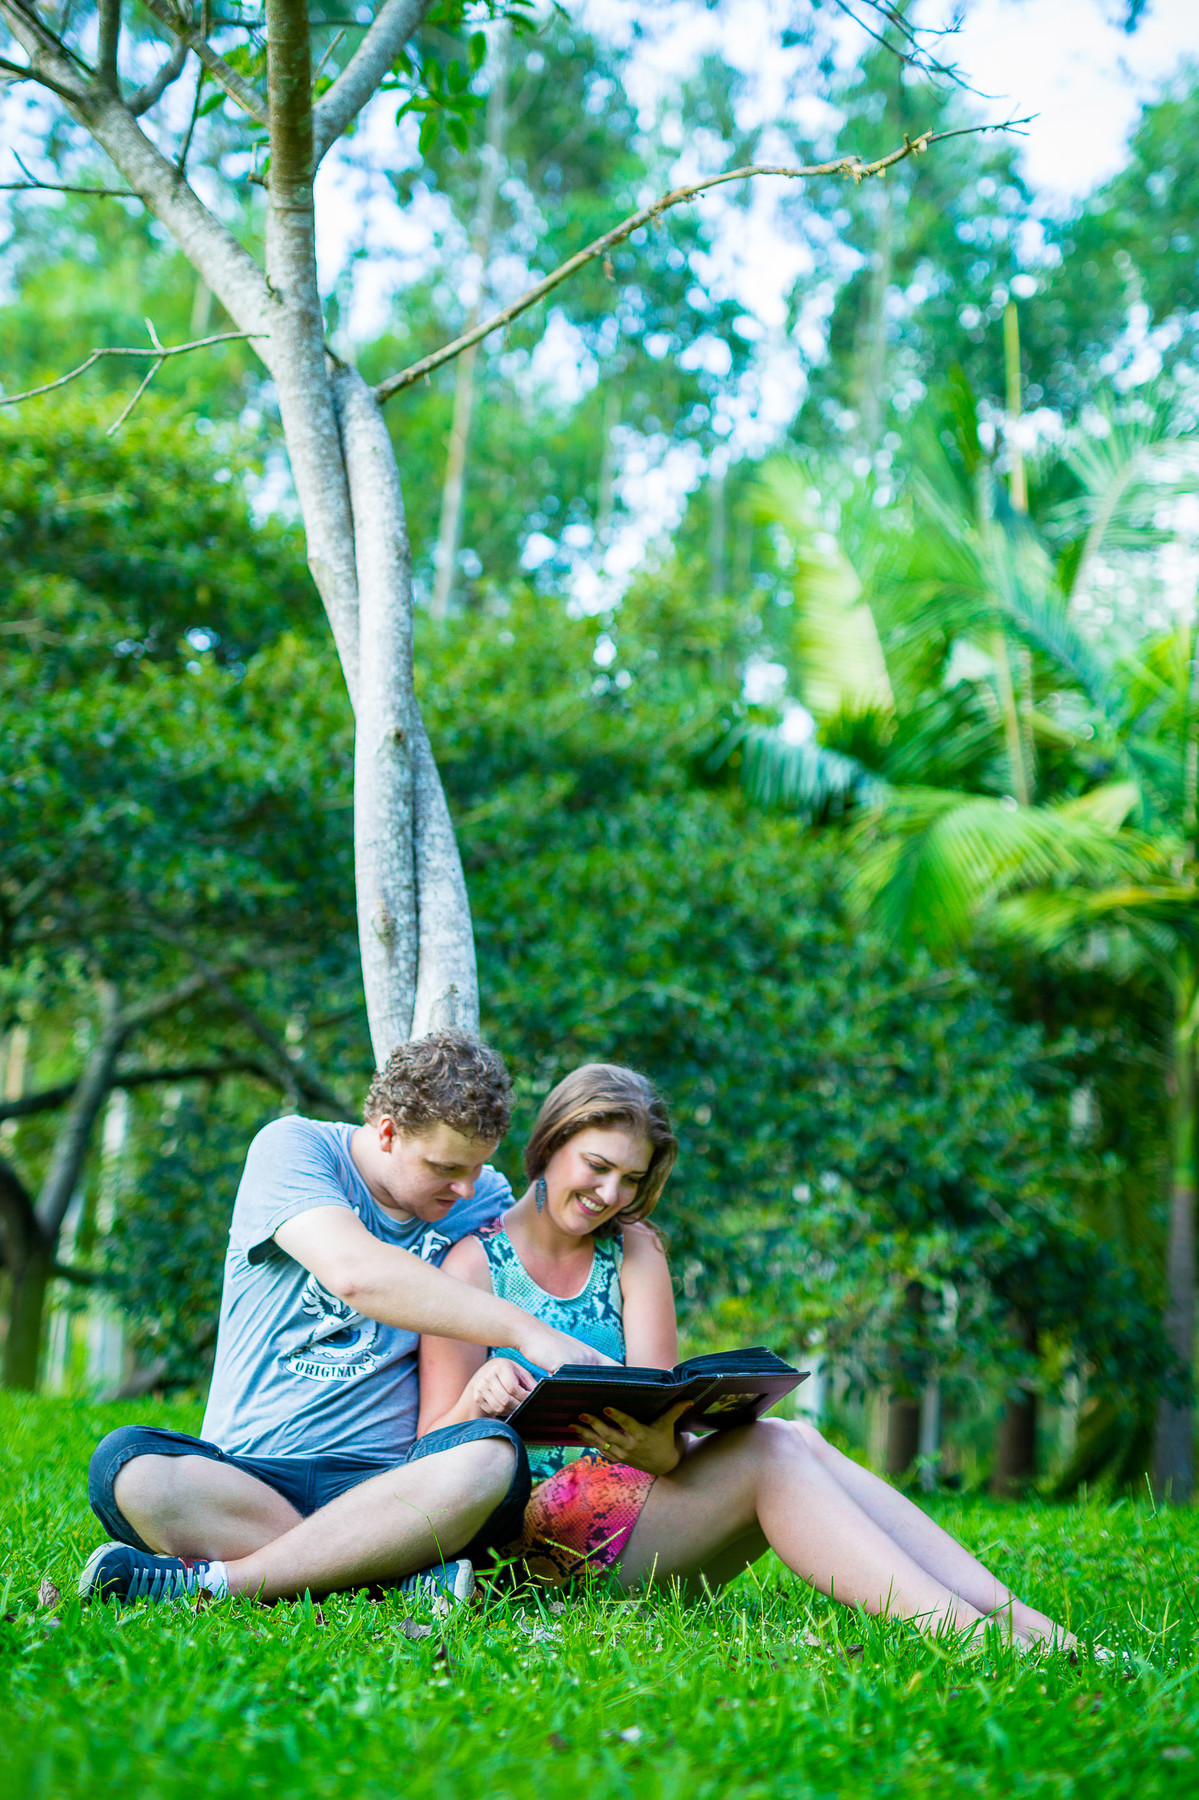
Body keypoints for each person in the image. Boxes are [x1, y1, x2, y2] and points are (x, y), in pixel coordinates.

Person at [419, 1062, 1076, 1648]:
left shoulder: (633, 1250)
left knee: (793, 1438)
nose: (610, 1194)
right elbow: (422, 1468)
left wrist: (659, 1448)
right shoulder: (471, 1265)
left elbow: (663, 1417)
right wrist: (477, 1399)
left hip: (635, 1507)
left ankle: (1024, 1623)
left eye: (631, 1179)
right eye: (597, 1166)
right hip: (525, 1552)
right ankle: (962, 1634)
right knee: (774, 1451)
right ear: (552, 1142)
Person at [80, 1033, 612, 1608]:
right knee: (130, 1465)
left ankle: (217, 1581)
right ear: (386, 1131)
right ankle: (387, 1577)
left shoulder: (480, 1198)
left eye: (478, 1166)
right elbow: (354, 1273)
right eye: (444, 1167)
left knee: (489, 1458)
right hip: (249, 1475)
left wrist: (625, 1224)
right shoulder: (294, 1149)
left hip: (390, 1487)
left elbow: (554, 1233)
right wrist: (528, 1333)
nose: (465, 1188)